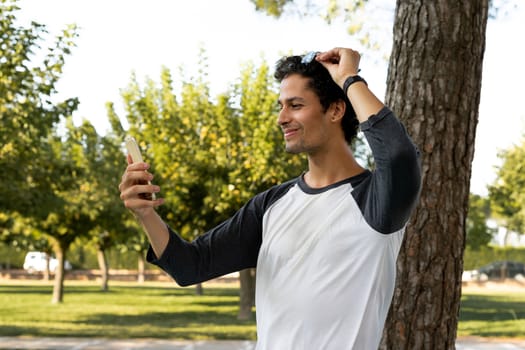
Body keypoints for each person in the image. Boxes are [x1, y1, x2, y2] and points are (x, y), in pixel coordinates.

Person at [119, 47, 421, 349]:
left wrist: (348, 78)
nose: (281, 118)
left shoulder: (379, 201)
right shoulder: (271, 205)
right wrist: (146, 214)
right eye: (281, 106)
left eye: (295, 105)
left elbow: (397, 153)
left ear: (336, 110)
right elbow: (189, 266)